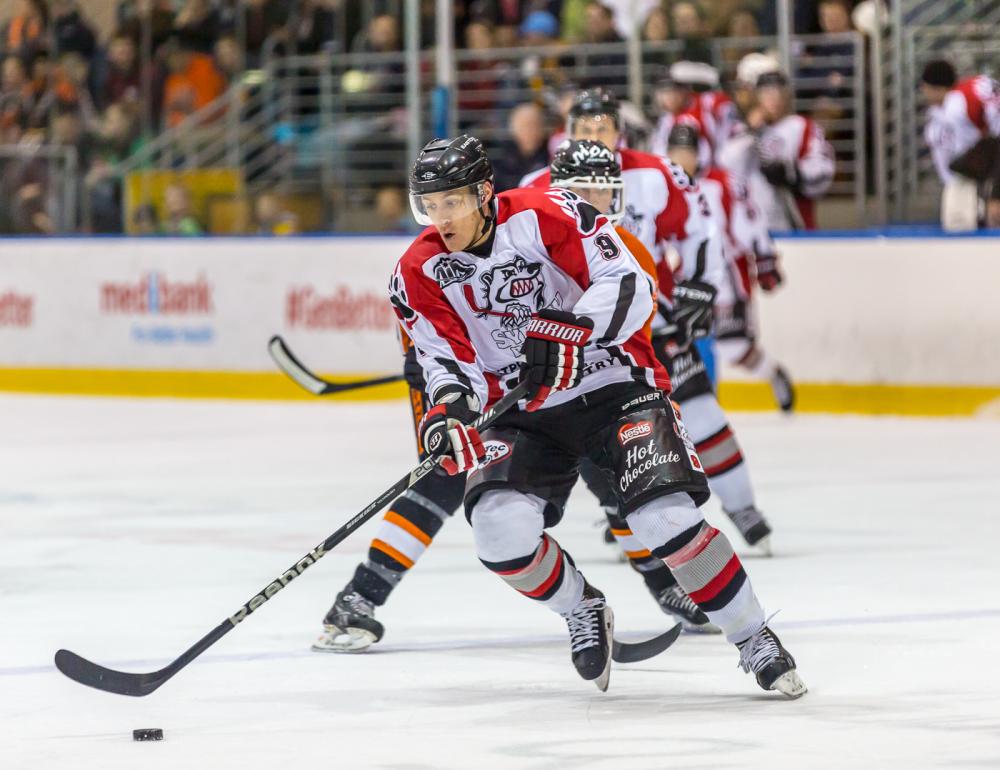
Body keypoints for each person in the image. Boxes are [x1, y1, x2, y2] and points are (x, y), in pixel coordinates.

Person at [395, 133, 804, 697]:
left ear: (485, 193)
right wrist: (448, 413)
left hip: (613, 384)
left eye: (454, 203)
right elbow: (443, 359)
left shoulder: (547, 214)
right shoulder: (416, 271)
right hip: (525, 411)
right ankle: (581, 607)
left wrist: (577, 329)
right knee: (496, 530)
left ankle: (753, 636)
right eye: (430, 206)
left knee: (662, 520)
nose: (441, 219)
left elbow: (630, 282)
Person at [521, 89, 775, 553]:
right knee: (602, 434)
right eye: (584, 127)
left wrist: (699, 284)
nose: (594, 135)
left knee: (701, 414)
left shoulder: (657, 174)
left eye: (603, 127)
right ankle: (626, 518)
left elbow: (700, 229)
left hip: (650, 327)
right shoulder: (536, 183)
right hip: (584, 336)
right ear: (568, 132)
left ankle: (742, 507)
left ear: (620, 130)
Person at [667, 123, 795, 412]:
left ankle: (772, 374)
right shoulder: (663, 184)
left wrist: (764, 261)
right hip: (683, 279)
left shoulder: (723, 181)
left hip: (726, 278)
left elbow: (751, 223)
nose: (681, 158)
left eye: (687, 151)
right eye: (675, 151)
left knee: (733, 348)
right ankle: (692, 405)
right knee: (675, 344)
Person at [750, 69, 835, 230]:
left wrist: (793, 172)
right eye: (767, 93)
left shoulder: (802, 127)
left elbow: (824, 169)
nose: (773, 99)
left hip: (794, 226)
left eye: (779, 93)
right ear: (756, 97)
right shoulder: (742, 133)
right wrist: (748, 131)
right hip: (751, 229)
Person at [493, 102, 550, 191]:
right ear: (513, 129)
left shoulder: (552, 153)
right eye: (525, 125)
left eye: (535, 125)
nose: (530, 131)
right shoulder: (500, 159)